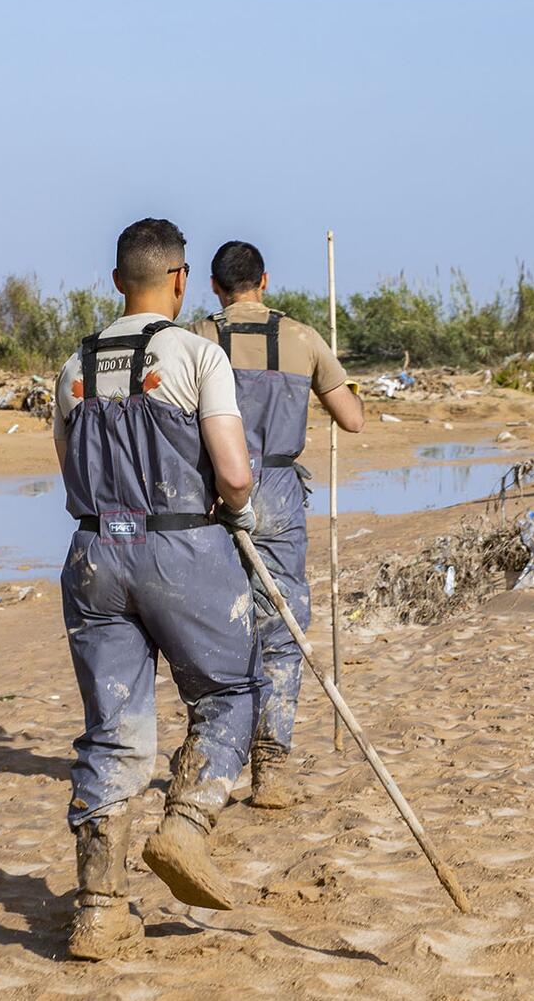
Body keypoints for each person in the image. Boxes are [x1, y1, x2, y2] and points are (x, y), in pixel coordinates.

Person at [52, 218, 259, 961]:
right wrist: (240, 508)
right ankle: (187, 823)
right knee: (232, 691)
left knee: (113, 729)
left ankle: (99, 910)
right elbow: (233, 474)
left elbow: (68, 467)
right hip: (180, 548)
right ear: (179, 280)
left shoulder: (73, 367)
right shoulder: (197, 353)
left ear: (116, 282)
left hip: (93, 555)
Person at [190, 241, 363, 811]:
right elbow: (352, 419)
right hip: (281, 494)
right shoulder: (304, 338)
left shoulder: (197, 338)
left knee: (215, 623)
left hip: (213, 491)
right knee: (282, 627)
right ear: (264, 280)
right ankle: (272, 766)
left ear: (214, 285)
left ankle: (212, 754)